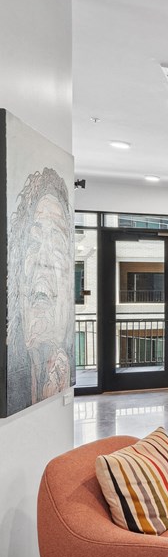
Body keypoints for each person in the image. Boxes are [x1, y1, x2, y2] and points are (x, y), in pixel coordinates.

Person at [7, 166, 73, 413]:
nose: (43, 260)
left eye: (58, 245)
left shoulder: (57, 366)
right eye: (33, 242)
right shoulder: (14, 367)